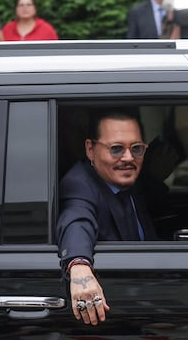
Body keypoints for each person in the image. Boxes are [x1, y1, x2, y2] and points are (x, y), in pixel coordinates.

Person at [57, 109, 157, 325]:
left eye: (137, 148)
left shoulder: (124, 178)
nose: (128, 157)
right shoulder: (79, 184)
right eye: (116, 149)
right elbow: (76, 219)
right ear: (90, 149)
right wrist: (79, 265)